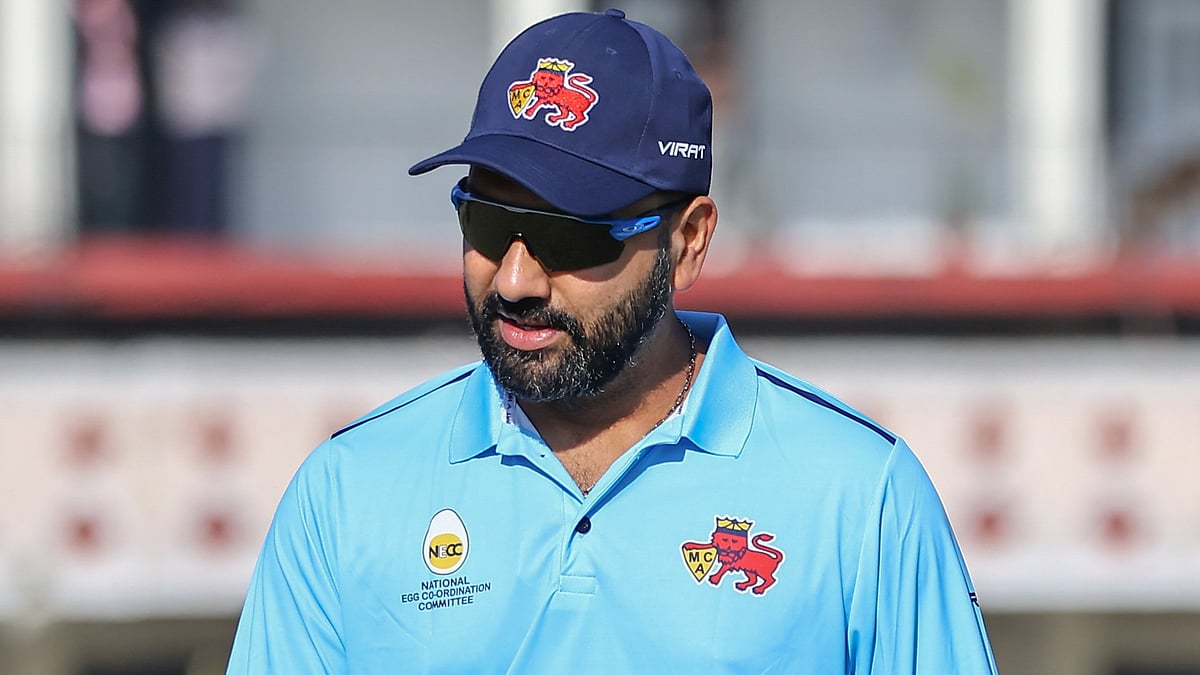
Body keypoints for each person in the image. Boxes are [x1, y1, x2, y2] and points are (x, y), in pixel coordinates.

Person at [226, 8, 999, 674]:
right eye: (488, 224)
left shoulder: (862, 498)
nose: (517, 278)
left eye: (572, 234)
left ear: (689, 243)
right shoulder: (347, 493)